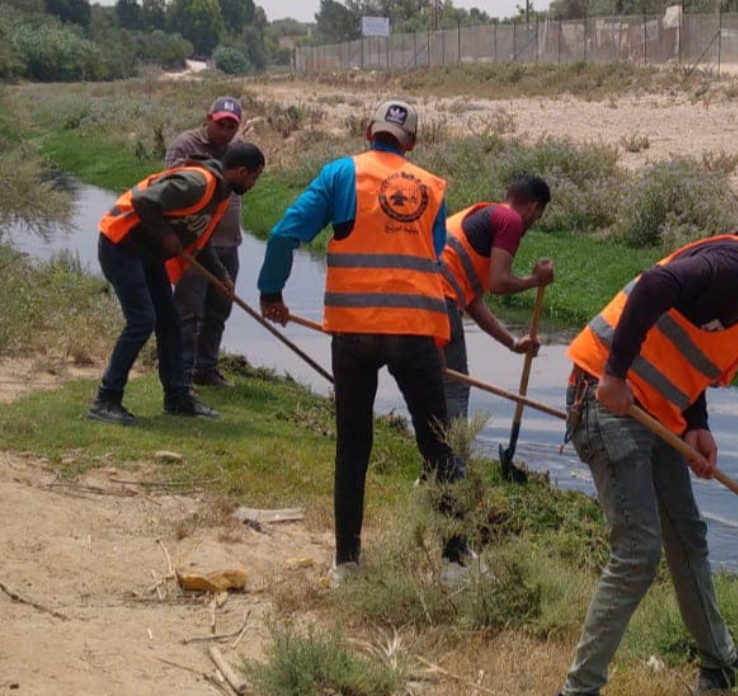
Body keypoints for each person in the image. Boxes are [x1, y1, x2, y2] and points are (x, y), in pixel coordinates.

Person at [557, 201, 738, 696]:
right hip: (608, 403)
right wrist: (613, 375)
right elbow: (654, 285)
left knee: (687, 535)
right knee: (637, 553)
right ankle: (579, 690)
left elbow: (689, 340)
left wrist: (696, 424)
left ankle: (720, 664)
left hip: (654, 413)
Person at [256, 98, 473, 587]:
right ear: (412, 143)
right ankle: (456, 562)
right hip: (414, 331)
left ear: (365, 131)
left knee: (353, 446)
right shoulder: (433, 188)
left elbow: (283, 234)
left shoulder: (340, 175)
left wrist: (272, 292)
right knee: (438, 446)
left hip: (353, 331)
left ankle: (347, 564)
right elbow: (433, 253)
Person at [86, 142, 266, 426]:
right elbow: (143, 202)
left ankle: (178, 398)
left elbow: (199, 240)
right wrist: (165, 234)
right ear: (242, 171)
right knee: (142, 320)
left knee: (169, 320)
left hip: (146, 252)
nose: (253, 184)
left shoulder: (220, 196)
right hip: (120, 244)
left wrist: (221, 277)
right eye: (254, 177)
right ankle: (106, 400)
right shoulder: (197, 182)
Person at [439, 174, 555, 421]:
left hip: (418, 294)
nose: (532, 223)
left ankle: (436, 449)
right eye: (537, 217)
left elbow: (473, 303)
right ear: (533, 208)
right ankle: (451, 455)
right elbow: (498, 283)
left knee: (433, 378)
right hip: (438, 300)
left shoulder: (484, 216)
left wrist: (512, 344)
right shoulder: (510, 220)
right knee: (454, 386)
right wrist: (535, 280)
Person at [166, 96, 245, 388]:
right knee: (189, 311)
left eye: (231, 126)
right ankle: (181, 371)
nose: (225, 131)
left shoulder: (237, 151)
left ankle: (206, 368)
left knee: (219, 309)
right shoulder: (185, 146)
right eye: (220, 124)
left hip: (229, 242)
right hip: (194, 244)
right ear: (208, 119)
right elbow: (171, 191)